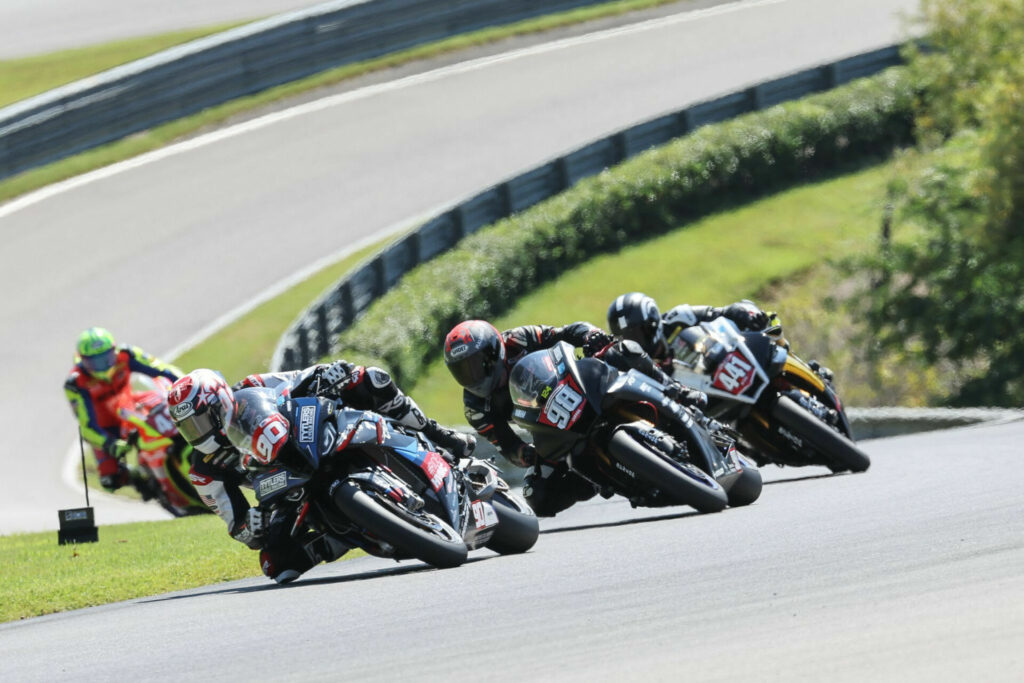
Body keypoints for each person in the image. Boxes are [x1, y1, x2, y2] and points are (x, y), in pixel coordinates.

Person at [167, 360, 474, 583]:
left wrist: (330, 373)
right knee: (276, 564)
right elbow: (236, 525)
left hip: (307, 439)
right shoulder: (203, 472)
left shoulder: (252, 387)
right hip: (286, 491)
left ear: (218, 402)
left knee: (370, 379)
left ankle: (438, 435)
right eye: (188, 429)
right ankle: (349, 535)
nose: (198, 434)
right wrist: (252, 526)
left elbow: (298, 378)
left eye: (200, 422)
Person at [443, 319, 707, 517]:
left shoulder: (519, 339)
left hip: (576, 386)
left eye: (476, 364)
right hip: (549, 429)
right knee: (538, 496)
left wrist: (591, 336)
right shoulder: (475, 407)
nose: (472, 376)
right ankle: (603, 479)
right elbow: (507, 446)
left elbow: (567, 331)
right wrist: (527, 454)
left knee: (622, 350)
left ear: (493, 350)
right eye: (462, 371)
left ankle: (676, 391)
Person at [63, 327, 182, 491]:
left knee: (176, 421)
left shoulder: (127, 354)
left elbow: (163, 369)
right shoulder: (76, 383)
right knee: (110, 480)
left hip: (133, 408)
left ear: (114, 350)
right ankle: (142, 480)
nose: (103, 366)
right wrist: (109, 444)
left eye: (107, 358)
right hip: (107, 427)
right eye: (95, 362)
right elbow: (86, 425)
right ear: (83, 360)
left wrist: (186, 384)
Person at [606, 292, 771, 364]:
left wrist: (749, 316)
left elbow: (724, 311)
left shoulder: (678, 317)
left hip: (726, 370)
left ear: (653, 322)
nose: (636, 342)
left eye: (637, 333)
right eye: (628, 338)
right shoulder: (634, 365)